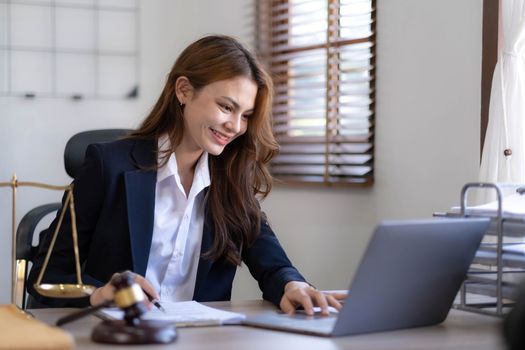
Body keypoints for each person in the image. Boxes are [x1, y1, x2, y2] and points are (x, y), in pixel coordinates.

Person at [28, 35, 344, 315]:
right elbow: (46, 276)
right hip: (116, 337)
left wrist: (293, 286)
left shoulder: (231, 180)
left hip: (199, 340)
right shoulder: (108, 165)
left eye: (245, 115)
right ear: (184, 90)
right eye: (226, 107)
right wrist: (100, 294)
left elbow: (273, 265)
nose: (235, 126)